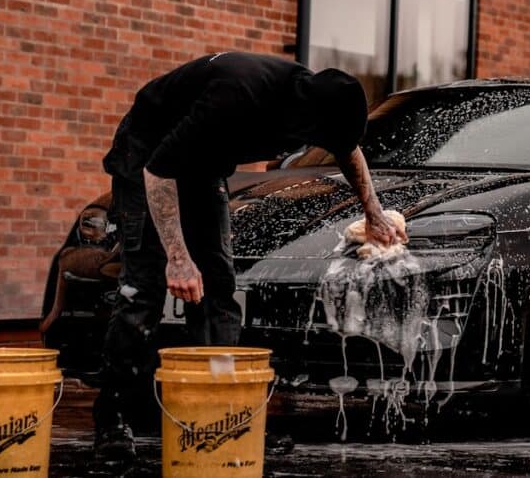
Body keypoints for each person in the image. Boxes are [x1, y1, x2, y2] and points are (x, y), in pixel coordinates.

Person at [93, 52, 406, 461]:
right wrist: (179, 258)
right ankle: (113, 416)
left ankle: (223, 415)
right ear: (304, 117)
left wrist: (374, 213)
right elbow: (159, 172)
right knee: (145, 287)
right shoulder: (238, 95)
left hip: (202, 165)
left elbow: (348, 151)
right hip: (147, 159)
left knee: (219, 287)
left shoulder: (322, 99)